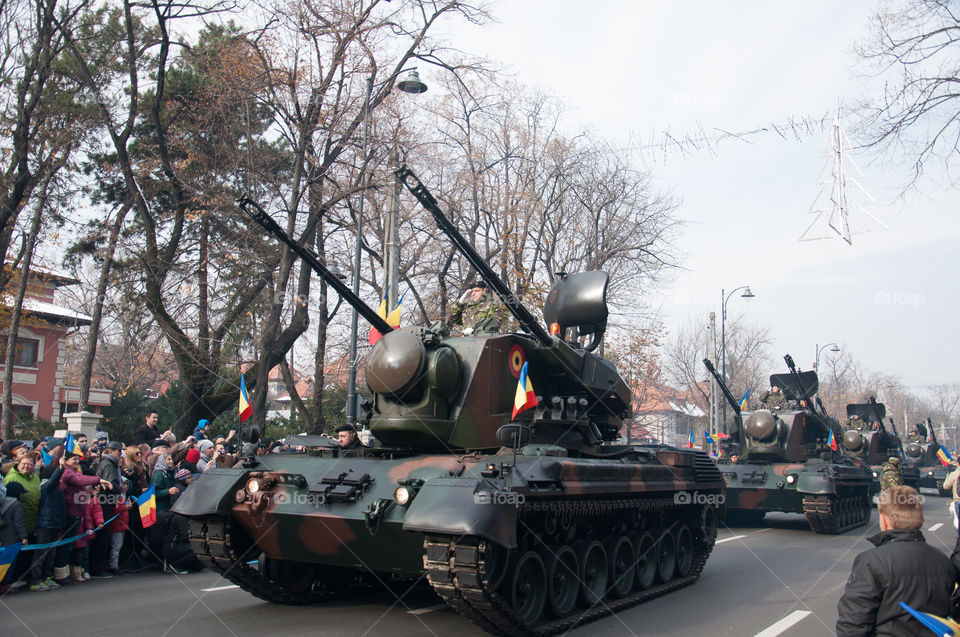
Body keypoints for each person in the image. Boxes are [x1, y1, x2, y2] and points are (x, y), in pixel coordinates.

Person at [837, 485, 959, 636]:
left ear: (883, 520)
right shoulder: (944, 563)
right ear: (921, 521)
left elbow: (853, 625)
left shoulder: (870, 562)